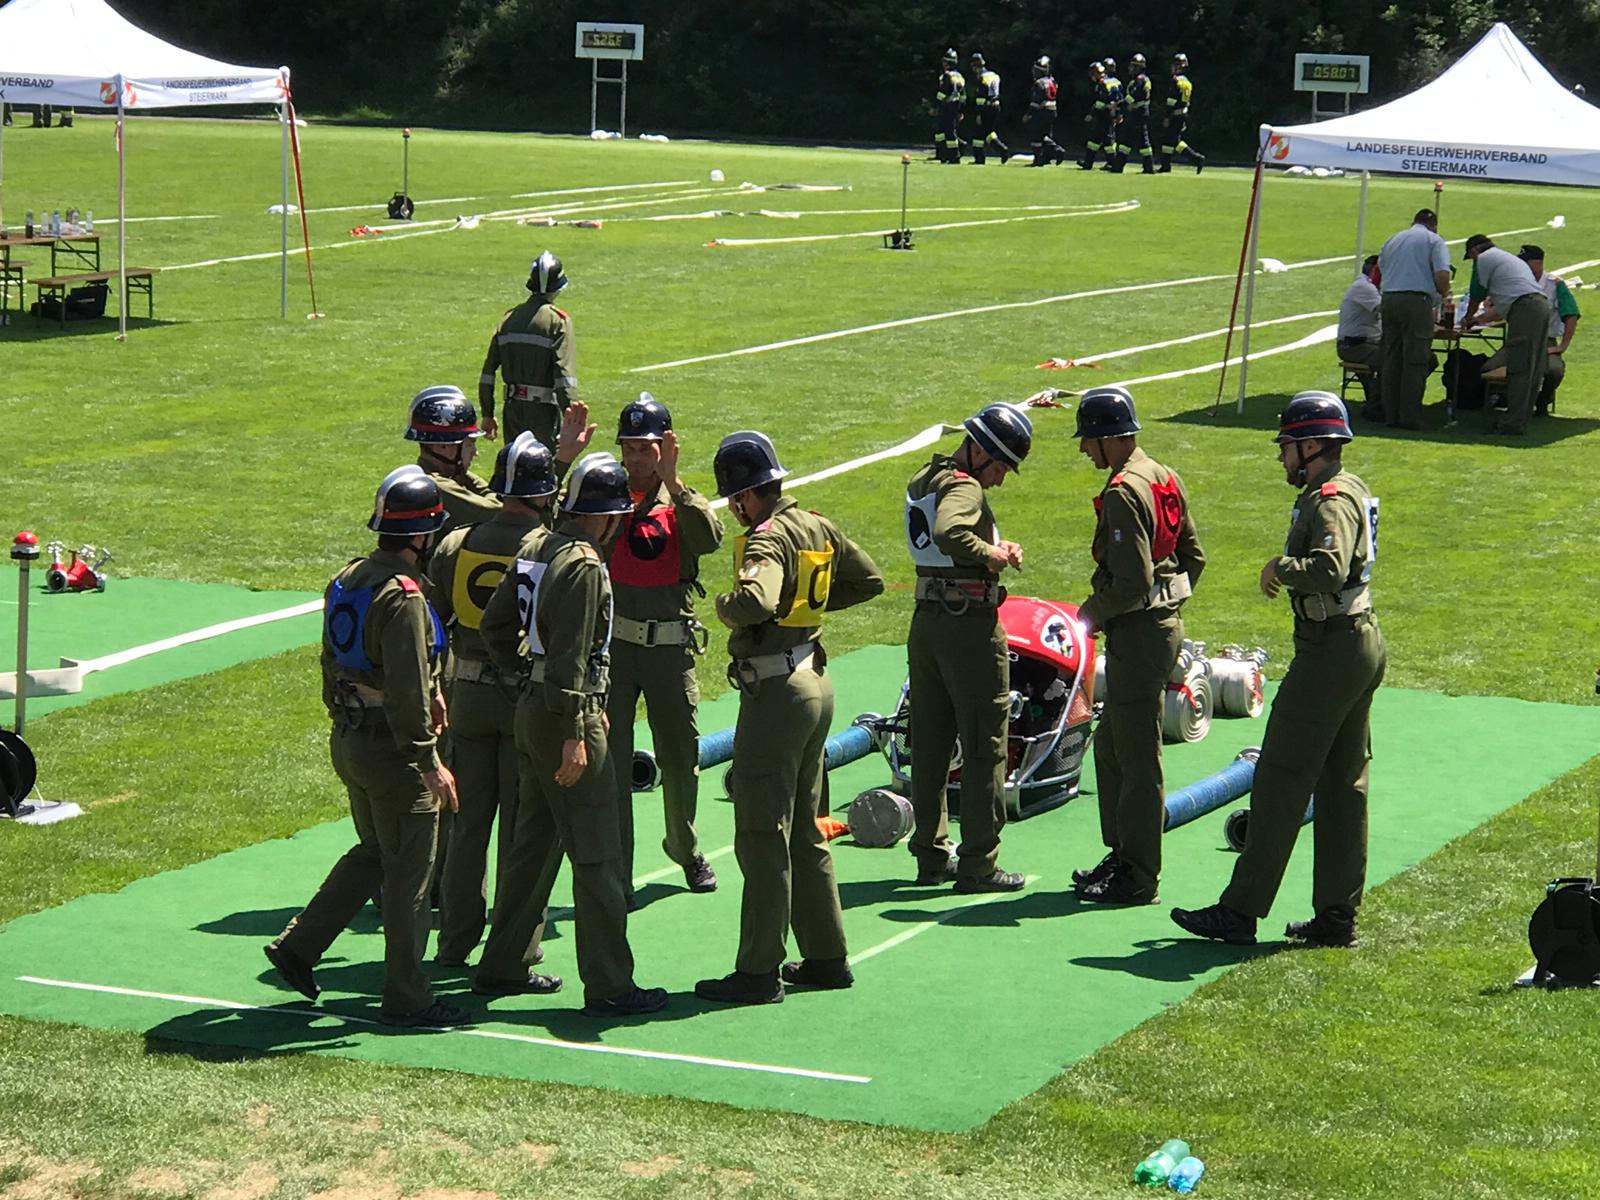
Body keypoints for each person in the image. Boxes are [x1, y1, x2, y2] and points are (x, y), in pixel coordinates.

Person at [1171, 393, 1384, 948]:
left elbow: (1329, 569)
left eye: (1288, 446)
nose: (1282, 456)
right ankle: (1336, 915)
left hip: (1330, 650)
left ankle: (1239, 911)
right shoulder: (1349, 487)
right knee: (1343, 784)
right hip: (1355, 642)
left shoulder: (1329, 499)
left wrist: (1280, 567)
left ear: (1312, 446)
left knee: (1280, 779)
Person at [264, 466, 469, 1027]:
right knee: (410, 881)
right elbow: (405, 689)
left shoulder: (348, 578)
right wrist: (428, 762)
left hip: (351, 739)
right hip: (394, 753)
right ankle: (408, 996)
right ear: (421, 535)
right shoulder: (403, 597)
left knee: (376, 851)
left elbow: (333, 660)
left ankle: (299, 946)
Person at [474, 453, 668, 1016]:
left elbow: (494, 626)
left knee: (532, 847)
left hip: (533, 710)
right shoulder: (584, 565)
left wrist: (525, 682)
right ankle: (610, 985)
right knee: (597, 853)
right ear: (606, 516)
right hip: (567, 719)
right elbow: (572, 658)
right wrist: (575, 729)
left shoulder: (536, 547)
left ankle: (502, 963)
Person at [695, 432, 884, 1005]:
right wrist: (809, 609)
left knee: (761, 832)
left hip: (777, 693)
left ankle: (758, 970)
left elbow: (755, 601)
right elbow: (868, 580)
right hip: (815, 679)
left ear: (745, 495)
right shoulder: (816, 525)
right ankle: (827, 956)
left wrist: (727, 608)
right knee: (807, 827)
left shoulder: (768, 537)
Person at [425, 418, 591, 966]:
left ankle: (453, 942)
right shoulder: (547, 551)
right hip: (521, 697)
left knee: (467, 826)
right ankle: (516, 947)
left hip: (466, 692)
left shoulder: (456, 542)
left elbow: (433, 623)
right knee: (523, 831)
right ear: (545, 494)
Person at [1072, 387, 1205, 905]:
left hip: (1139, 631)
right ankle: (1125, 854)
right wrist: (1168, 604)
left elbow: (1130, 581)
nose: (1084, 449)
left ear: (1109, 439)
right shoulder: (1163, 475)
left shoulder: (1124, 491)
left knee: (1136, 756)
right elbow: (1194, 557)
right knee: (1111, 747)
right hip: (1159, 626)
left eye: (1088, 440)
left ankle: (1139, 873)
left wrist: (1090, 614)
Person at [904, 404, 1032, 894]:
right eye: (998, 466)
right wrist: (991, 554)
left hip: (928, 621)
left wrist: (994, 544)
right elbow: (950, 531)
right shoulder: (966, 486)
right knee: (983, 746)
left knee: (930, 745)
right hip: (968, 626)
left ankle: (931, 854)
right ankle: (979, 862)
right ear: (978, 452)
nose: (997, 480)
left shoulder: (927, 476)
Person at [608, 393, 723, 900]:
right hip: (614, 649)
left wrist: (675, 485)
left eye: (647, 448)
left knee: (680, 758)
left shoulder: (681, 503)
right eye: (629, 448)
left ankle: (685, 848)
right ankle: (617, 869)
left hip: (669, 648)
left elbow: (710, 539)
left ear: (666, 449)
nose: (636, 458)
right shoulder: (603, 496)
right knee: (610, 762)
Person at [478, 251, 578, 450]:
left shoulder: (509, 319)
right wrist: (572, 416)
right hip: (543, 412)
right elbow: (564, 376)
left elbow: (488, 372)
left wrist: (487, 414)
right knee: (544, 463)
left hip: (513, 409)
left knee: (514, 460)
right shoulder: (557, 321)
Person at [1462, 234, 1552, 435]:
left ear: (1474, 252)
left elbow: (1476, 294)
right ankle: (1520, 418)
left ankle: (1512, 423)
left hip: (1525, 309)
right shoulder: (1506, 259)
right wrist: (1480, 319)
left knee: (1519, 367)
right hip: (1538, 306)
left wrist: (1468, 318)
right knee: (1532, 367)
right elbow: (1509, 299)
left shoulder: (1484, 260)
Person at [1376, 209, 1452, 430]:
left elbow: (1382, 268)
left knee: (1392, 359)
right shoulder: (1433, 240)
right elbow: (1442, 275)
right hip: (1416, 300)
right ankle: (1410, 417)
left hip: (1389, 298)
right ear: (1434, 225)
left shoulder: (1393, 239)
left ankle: (1390, 414)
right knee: (1415, 360)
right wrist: (1445, 293)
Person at [407, 385, 501, 532]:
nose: (475, 452)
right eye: (470, 443)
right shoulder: (436, 487)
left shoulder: (433, 479)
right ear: (443, 446)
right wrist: (468, 476)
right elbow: (498, 513)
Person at [1514, 244, 1581, 415]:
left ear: (1538, 263)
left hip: (1546, 341)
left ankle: (1543, 399)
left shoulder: (1555, 284)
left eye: (1525, 263)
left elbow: (1571, 314)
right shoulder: (1515, 282)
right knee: (1489, 368)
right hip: (1518, 340)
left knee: (1554, 370)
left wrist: (1562, 346)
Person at [1337, 256, 1384, 419]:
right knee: (1392, 360)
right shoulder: (1365, 287)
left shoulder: (1371, 287)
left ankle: (1380, 402)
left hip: (1365, 344)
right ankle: (1377, 406)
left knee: (1426, 359)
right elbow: (1386, 309)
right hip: (1354, 346)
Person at [1158, 53, 1205, 173]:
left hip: (1175, 114)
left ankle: (1196, 158)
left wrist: (1167, 116)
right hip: (1182, 113)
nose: (1171, 67)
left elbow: (1171, 101)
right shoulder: (1187, 82)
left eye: (1173, 65)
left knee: (1173, 141)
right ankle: (1165, 165)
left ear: (1178, 67)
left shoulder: (1175, 81)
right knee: (1168, 140)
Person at [967, 53, 1009, 164]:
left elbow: (981, 98)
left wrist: (979, 114)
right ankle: (1001, 150)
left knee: (978, 134)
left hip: (986, 107)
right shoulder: (994, 75)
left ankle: (981, 158)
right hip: (996, 105)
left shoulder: (981, 78)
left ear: (975, 66)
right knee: (987, 131)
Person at [1025, 56, 1063, 166]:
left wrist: (1028, 114)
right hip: (1053, 110)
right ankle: (1046, 158)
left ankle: (1049, 154)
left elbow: (1035, 102)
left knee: (1036, 136)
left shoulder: (1039, 83)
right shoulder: (1052, 81)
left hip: (1042, 111)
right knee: (1046, 135)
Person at [1080, 61, 1118, 171]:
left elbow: (1100, 103)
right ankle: (1090, 163)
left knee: (1102, 139)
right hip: (1112, 113)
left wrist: (1091, 114)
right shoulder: (1114, 81)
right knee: (1099, 139)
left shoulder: (1101, 84)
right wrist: (1119, 114)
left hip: (1104, 114)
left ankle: (1112, 163)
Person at [933, 49, 966, 164]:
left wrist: (935, 106)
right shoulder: (959, 76)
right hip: (956, 106)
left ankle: (954, 156)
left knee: (949, 131)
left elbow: (942, 94)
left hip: (947, 106)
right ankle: (944, 155)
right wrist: (961, 110)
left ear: (946, 63)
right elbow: (963, 95)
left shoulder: (946, 76)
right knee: (946, 130)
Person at [1124, 53, 1156, 173]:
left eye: (1133, 66)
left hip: (1139, 112)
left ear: (1139, 67)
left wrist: (1119, 105)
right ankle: (1118, 165)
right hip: (1138, 112)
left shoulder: (1140, 80)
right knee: (1128, 138)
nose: (1130, 68)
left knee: (1141, 139)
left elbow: (1134, 96)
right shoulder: (1140, 79)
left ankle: (1148, 166)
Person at [1099, 58, 1129, 172]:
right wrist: (1120, 113)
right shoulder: (1117, 81)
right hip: (1116, 109)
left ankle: (1112, 161)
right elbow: (1121, 97)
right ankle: (1111, 160)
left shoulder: (1104, 81)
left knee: (1108, 137)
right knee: (1111, 135)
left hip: (1108, 110)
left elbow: (1103, 98)